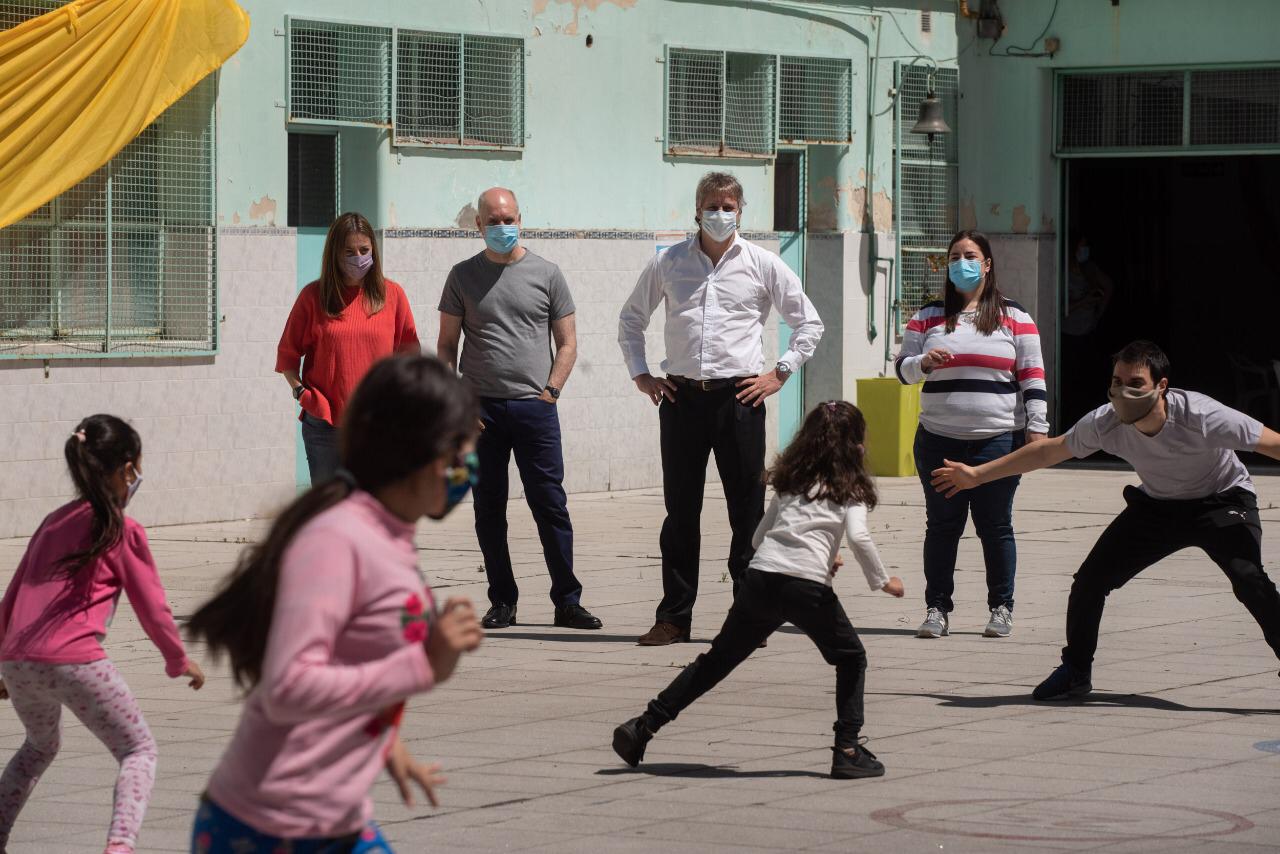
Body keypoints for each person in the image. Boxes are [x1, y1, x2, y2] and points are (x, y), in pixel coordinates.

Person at [186, 355, 484, 853]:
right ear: (432, 454)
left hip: (339, 823)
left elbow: (356, 654)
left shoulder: (389, 537)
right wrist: (421, 665)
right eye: (466, 446)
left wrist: (387, 744)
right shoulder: (335, 539)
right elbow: (288, 686)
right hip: (264, 830)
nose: (471, 464)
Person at [931, 340, 1280, 700]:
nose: (1122, 391)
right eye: (1116, 381)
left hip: (1221, 501)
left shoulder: (1202, 415)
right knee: (1089, 582)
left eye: (1135, 383)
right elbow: (1048, 450)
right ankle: (1076, 671)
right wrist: (977, 475)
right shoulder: (1107, 421)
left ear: (1162, 387)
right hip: (1158, 507)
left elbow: (1271, 443)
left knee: (1249, 579)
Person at [611, 401, 904, 778]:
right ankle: (847, 749)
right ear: (856, 444)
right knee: (850, 658)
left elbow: (758, 536)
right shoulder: (849, 487)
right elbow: (859, 537)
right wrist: (883, 581)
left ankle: (643, 726)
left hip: (761, 578)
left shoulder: (790, 482)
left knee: (716, 661)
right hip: (805, 587)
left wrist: (813, 554)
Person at [617, 171, 824, 646]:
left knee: (747, 512)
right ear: (696, 210)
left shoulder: (761, 263)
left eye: (728, 206)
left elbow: (808, 322)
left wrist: (780, 372)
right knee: (680, 513)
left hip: (740, 400)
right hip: (682, 398)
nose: (719, 214)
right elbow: (631, 319)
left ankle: (748, 618)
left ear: (741, 212)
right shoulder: (669, 263)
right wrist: (640, 373)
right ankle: (674, 617)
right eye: (711, 206)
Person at [0, 415, 205, 854]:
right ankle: (120, 846)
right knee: (139, 752)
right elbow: (151, 604)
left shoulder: (53, 521)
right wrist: (177, 658)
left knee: (38, 748)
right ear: (126, 469)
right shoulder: (120, 528)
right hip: (76, 661)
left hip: (17, 661)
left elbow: (14, 592)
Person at [437, 187, 602, 632]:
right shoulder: (461, 276)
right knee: (488, 509)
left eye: (508, 219)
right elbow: (447, 346)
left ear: (520, 219)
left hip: (535, 409)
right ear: (479, 226)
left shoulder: (548, 273)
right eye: (493, 221)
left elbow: (567, 343)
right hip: (480, 413)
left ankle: (567, 601)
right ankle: (502, 601)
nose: (502, 227)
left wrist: (551, 391)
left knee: (550, 504)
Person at [895, 230, 1048, 640]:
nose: (962, 262)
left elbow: (1032, 375)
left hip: (997, 441)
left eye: (971, 255)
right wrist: (923, 362)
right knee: (942, 526)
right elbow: (901, 370)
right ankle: (936, 609)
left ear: (987, 264)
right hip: (939, 440)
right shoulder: (927, 315)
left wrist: (1037, 427)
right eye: (955, 256)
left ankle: (1001, 607)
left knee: (995, 526)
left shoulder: (1015, 316)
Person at [277, 212, 421, 484]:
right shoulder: (313, 297)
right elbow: (287, 354)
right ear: (335, 255)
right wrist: (302, 394)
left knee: (373, 512)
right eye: (349, 252)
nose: (358, 258)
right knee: (331, 513)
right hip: (325, 425)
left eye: (364, 250)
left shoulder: (393, 295)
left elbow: (410, 356)